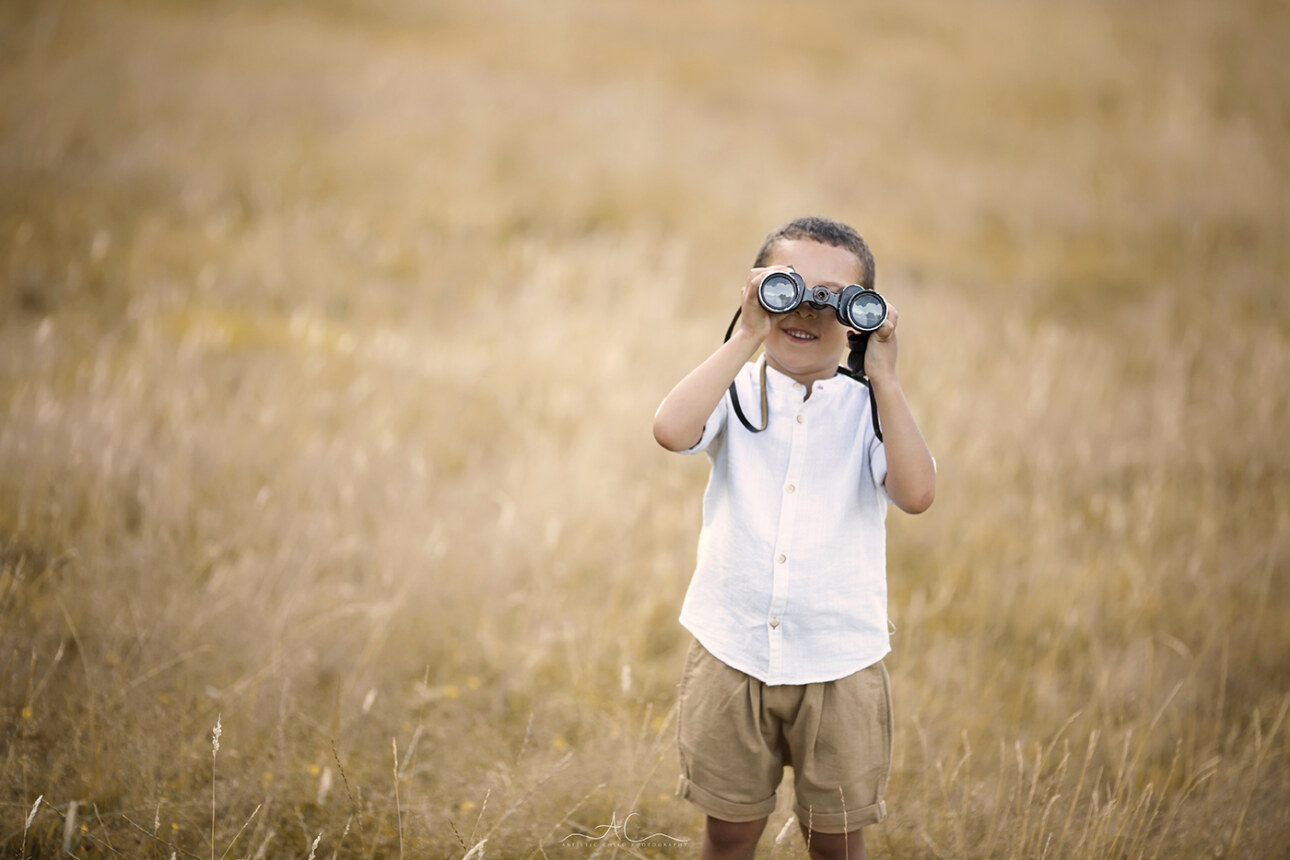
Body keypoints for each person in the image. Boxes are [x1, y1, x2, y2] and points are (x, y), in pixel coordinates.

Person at [653, 216, 936, 860]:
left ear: (862, 317)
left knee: (836, 840)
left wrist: (885, 376)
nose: (807, 308)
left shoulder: (870, 407)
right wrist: (748, 333)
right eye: (789, 288)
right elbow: (671, 429)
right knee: (727, 833)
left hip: (839, 665)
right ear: (760, 290)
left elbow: (917, 495)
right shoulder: (736, 389)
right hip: (732, 652)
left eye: (835, 298)